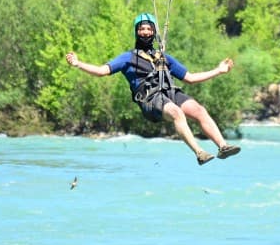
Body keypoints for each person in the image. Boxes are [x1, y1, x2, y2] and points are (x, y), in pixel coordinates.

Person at [65, 13, 241, 165]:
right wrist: (78, 64)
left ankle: (223, 147)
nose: (146, 32)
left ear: (154, 32)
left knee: (199, 110)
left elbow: (190, 78)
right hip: (150, 99)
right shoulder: (128, 58)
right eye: (142, 29)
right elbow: (101, 71)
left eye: (149, 29)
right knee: (176, 113)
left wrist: (219, 71)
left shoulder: (163, 57)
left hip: (169, 92)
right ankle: (199, 153)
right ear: (136, 31)